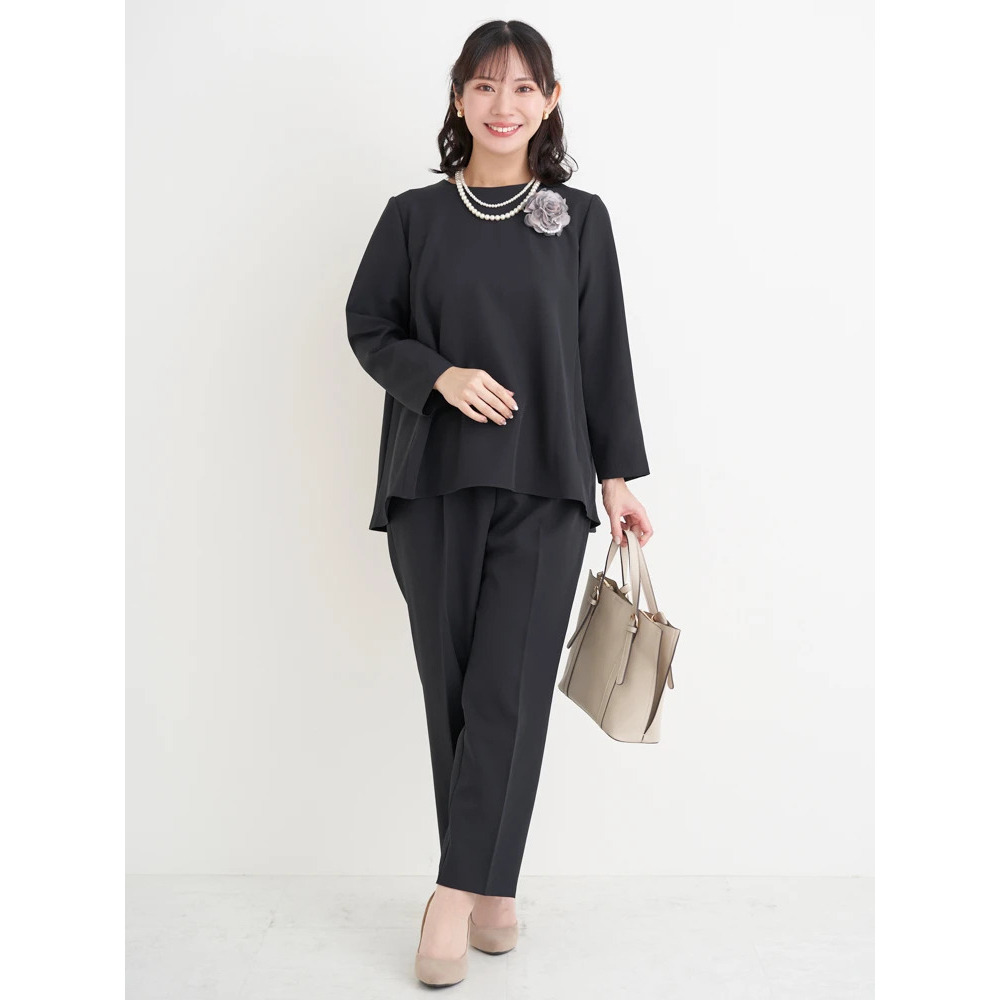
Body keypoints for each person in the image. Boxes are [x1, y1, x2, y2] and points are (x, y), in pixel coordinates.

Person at [345, 20, 653, 988]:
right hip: (431, 483)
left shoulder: (580, 219)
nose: (503, 105)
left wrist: (617, 474)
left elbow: (602, 351)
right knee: (453, 693)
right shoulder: (411, 217)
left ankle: (451, 895)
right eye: (484, 86)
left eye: (523, 88)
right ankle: (492, 887)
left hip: (547, 484)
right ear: (458, 98)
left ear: (550, 101)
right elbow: (368, 325)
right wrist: (439, 376)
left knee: (507, 695)